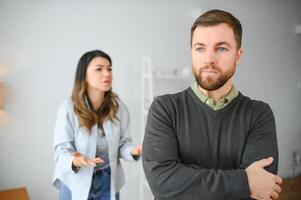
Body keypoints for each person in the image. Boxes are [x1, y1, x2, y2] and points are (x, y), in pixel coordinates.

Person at [142, 9, 282, 200]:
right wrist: (245, 182)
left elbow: (261, 189)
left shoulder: (258, 114)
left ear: (238, 55)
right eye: (200, 48)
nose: (209, 59)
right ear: (192, 52)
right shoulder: (165, 108)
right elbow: (162, 183)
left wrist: (185, 180)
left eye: (221, 48)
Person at [53, 49, 142, 200]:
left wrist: (134, 150)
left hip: (108, 181)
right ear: (84, 76)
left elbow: (122, 145)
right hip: (76, 181)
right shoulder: (68, 108)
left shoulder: (119, 108)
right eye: (99, 69)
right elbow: (62, 151)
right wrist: (76, 160)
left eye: (109, 69)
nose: (107, 73)